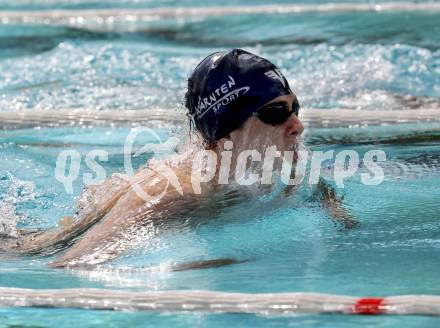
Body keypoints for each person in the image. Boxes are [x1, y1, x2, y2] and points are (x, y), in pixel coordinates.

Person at [3, 49, 356, 269]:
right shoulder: (176, 193)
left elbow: (322, 195)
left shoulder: (288, 166)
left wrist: (341, 222)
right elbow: (71, 264)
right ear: (225, 130)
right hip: (19, 251)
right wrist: (181, 265)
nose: (297, 125)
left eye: (294, 108)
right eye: (276, 113)